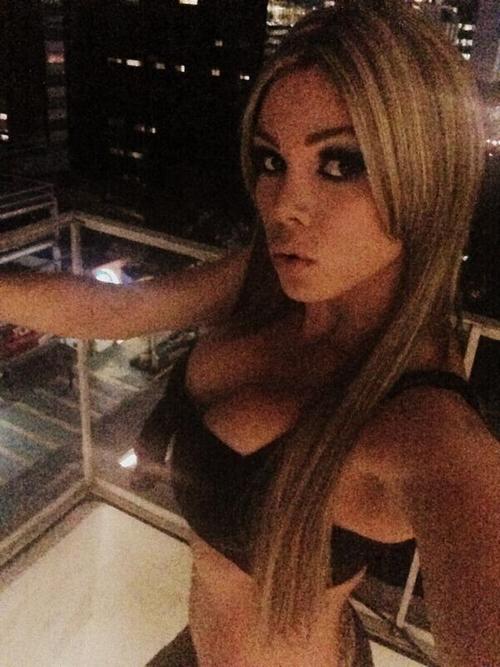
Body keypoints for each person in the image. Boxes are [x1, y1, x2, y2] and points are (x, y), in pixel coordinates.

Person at [1, 1, 499, 664]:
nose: (284, 207)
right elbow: (118, 311)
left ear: (426, 175)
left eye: (340, 163)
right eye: (271, 161)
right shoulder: (269, 281)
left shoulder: (425, 423)